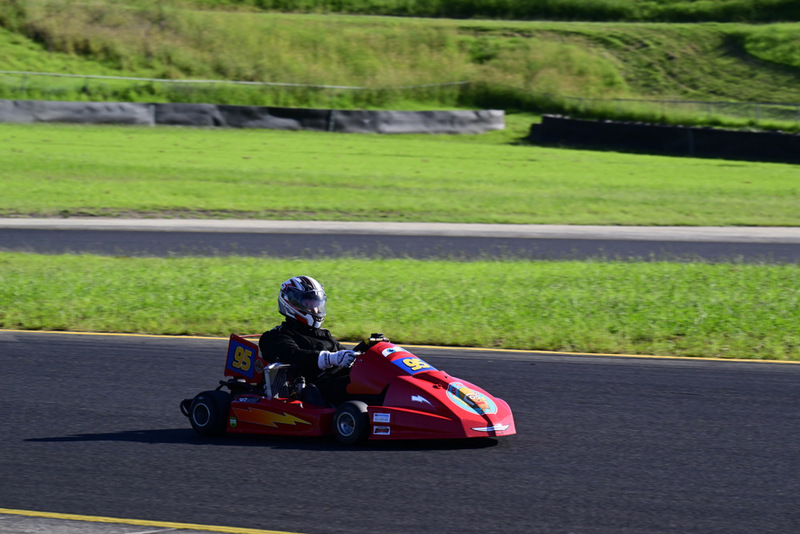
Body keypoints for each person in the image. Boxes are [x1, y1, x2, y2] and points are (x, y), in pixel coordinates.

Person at [259, 276, 356, 406]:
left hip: (340, 380)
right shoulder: (276, 336)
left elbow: (344, 354)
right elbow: (293, 355)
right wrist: (330, 359)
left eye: (316, 304)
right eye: (308, 304)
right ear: (290, 303)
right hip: (316, 387)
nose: (315, 310)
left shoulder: (322, 334)